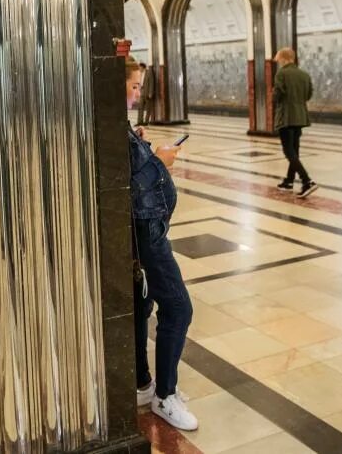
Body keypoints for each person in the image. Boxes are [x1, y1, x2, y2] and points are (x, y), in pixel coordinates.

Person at [127, 57, 197, 432]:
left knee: (143, 303)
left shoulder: (116, 123)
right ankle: (165, 396)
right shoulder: (108, 118)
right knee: (178, 307)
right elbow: (130, 183)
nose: (138, 93)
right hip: (147, 232)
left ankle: (142, 382)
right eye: (135, 85)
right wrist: (160, 160)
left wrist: (139, 145)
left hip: (144, 230)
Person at [273, 48, 317, 197]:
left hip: (286, 116)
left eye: (279, 59)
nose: (279, 62)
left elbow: (278, 94)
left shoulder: (281, 74)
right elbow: (309, 94)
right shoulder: (304, 75)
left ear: (284, 59)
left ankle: (307, 181)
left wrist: (274, 99)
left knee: (288, 151)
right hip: (300, 117)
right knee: (294, 150)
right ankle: (289, 181)